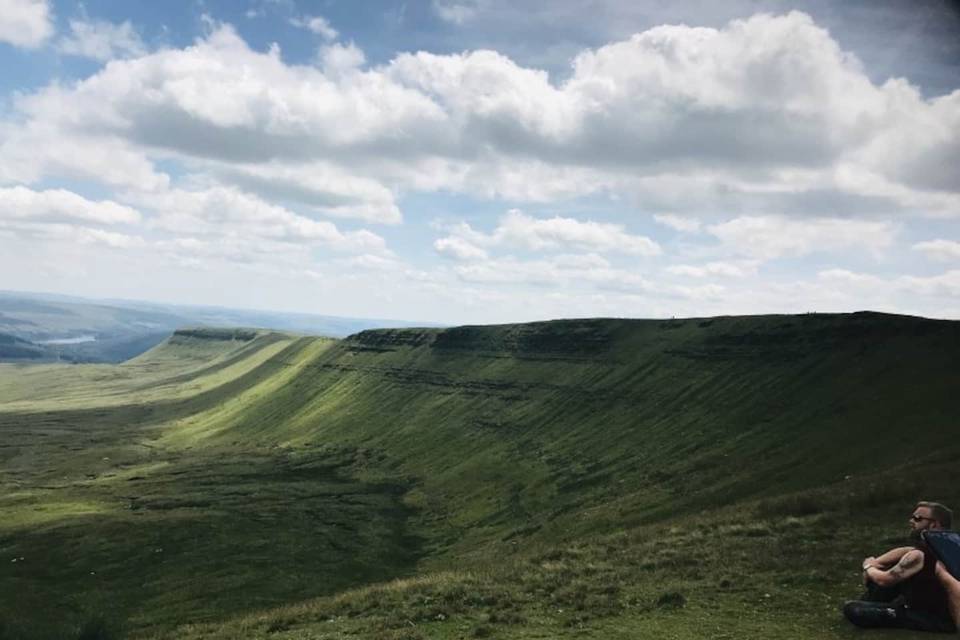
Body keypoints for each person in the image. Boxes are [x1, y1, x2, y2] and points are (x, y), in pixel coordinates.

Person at [842, 501, 956, 633]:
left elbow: (884, 580)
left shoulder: (920, 555)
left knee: (852, 609)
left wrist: (868, 566)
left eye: (918, 519)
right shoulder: (946, 547)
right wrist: (877, 562)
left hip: (932, 618)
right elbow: (904, 550)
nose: (911, 521)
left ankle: (890, 608)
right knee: (890, 568)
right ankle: (887, 605)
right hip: (943, 614)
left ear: (934, 524)